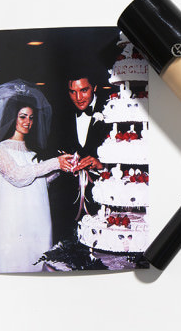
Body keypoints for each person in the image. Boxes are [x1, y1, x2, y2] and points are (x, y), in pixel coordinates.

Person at [0, 92, 73, 273]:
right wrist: (54, 163)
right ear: (12, 118)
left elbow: (38, 183)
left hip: (36, 215)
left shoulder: (33, 152)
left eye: (31, 118)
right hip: (13, 218)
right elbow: (17, 176)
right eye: (23, 116)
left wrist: (62, 168)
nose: (28, 122)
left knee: (37, 259)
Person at [48, 72, 108, 243]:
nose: (78, 98)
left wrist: (102, 165)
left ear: (94, 88)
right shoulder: (61, 115)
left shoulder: (111, 111)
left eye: (84, 90)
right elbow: (51, 150)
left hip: (102, 199)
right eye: (72, 92)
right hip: (66, 201)